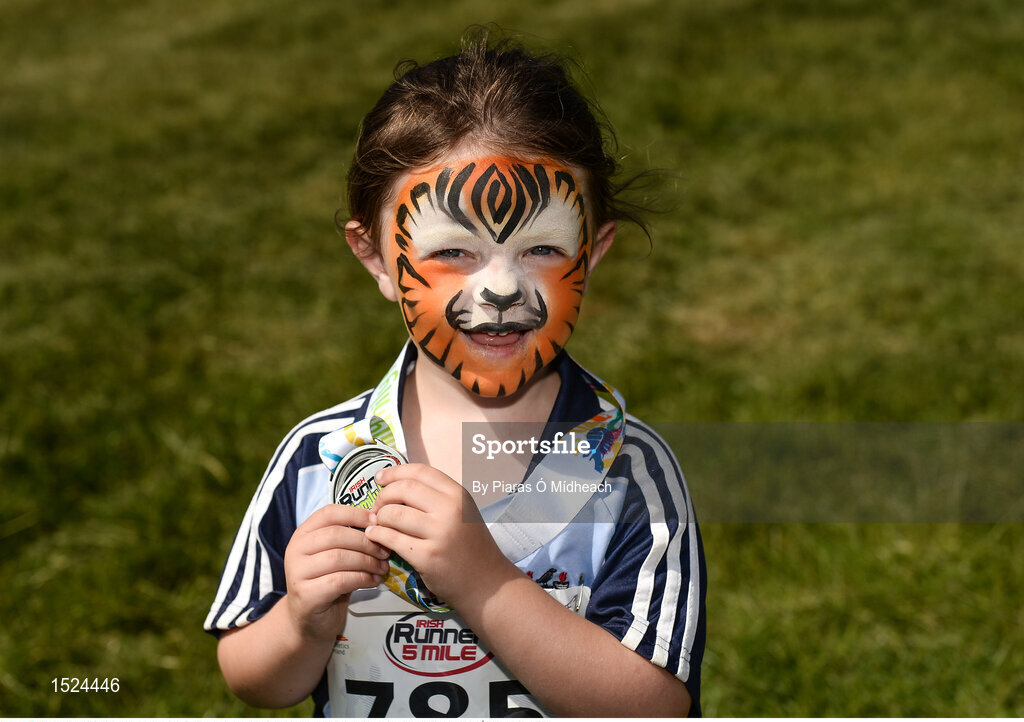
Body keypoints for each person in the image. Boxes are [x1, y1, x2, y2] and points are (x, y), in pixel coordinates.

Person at [205, 31, 706, 717]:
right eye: (453, 252)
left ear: (592, 252)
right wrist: (301, 623)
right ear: (376, 257)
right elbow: (249, 675)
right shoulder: (321, 460)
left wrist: (484, 582)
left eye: (541, 248)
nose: (500, 288)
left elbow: (653, 707)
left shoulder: (626, 473)